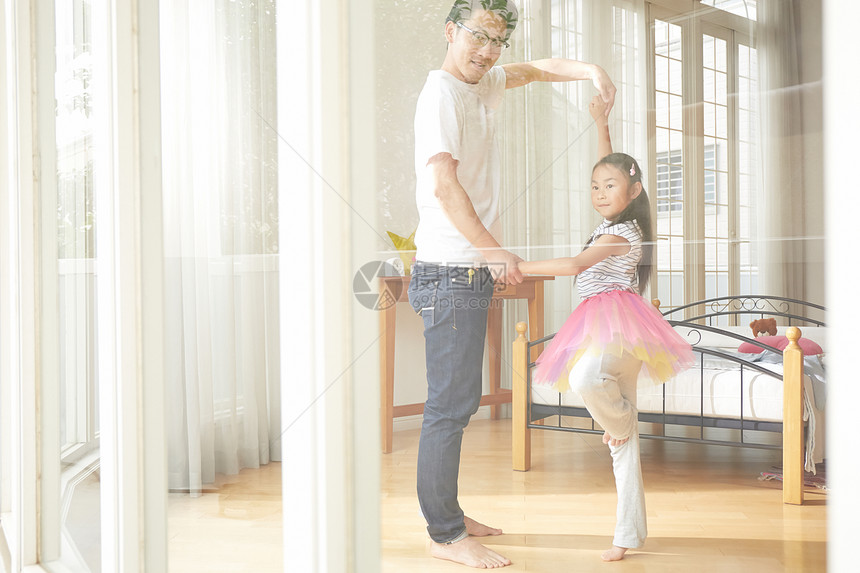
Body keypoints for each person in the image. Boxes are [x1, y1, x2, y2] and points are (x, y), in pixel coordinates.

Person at [407, 1, 617, 568]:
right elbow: (445, 185)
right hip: (451, 271)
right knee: (449, 407)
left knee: (461, 401)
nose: (488, 51)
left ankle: (449, 512)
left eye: (498, 40)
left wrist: (590, 70)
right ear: (451, 31)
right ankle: (445, 534)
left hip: (468, 269)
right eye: (477, 37)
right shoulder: (441, 96)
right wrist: (493, 250)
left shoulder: (484, 83)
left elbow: (537, 68)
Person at [518, 95, 695, 562]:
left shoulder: (623, 234)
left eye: (610, 186)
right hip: (604, 326)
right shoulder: (609, 220)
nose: (599, 192)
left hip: (619, 328)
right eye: (594, 185)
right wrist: (601, 122)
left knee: (584, 378)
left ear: (632, 193)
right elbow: (611, 166)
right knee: (624, 449)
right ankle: (628, 534)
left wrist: (518, 266)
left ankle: (621, 421)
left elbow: (576, 264)